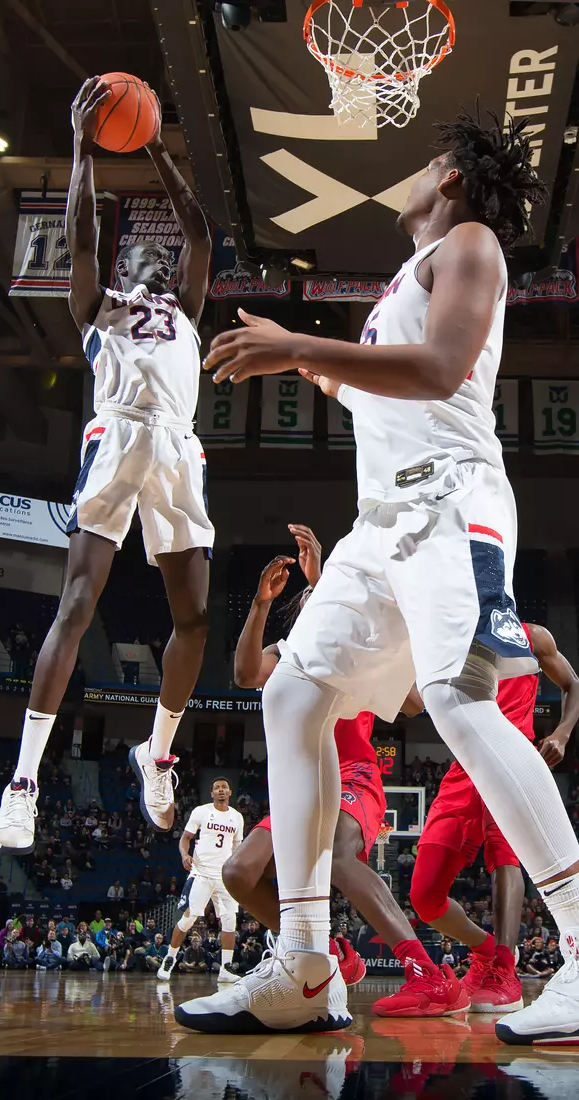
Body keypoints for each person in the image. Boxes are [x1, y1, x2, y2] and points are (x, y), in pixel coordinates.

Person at [178, 108, 579, 1042]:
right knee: (293, 698)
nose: (412, 174)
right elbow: (373, 386)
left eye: (424, 162)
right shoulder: (407, 275)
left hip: (451, 502)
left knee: (461, 702)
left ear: (448, 178)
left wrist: (299, 347)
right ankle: (308, 967)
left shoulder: (470, 241)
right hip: (379, 527)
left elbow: (441, 367)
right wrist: (310, 366)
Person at [0, 74, 213, 854]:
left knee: (193, 618)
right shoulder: (97, 307)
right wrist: (84, 145)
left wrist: (154, 147)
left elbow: (201, 236)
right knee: (76, 604)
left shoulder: (184, 312)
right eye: (139, 262)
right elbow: (83, 234)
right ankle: (22, 785)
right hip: (116, 436)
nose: (152, 267)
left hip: (178, 444)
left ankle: (157, 755)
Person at [220, 534, 465, 1015]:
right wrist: (260, 603)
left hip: (354, 777)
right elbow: (247, 673)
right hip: (300, 782)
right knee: (238, 872)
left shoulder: (357, 646)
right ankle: (329, 955)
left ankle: (428, 974)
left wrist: (327, 586)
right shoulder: (290, 652)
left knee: (336, 852)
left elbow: (412, 703)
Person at [409, 623, 579, 1014]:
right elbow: (413, 703)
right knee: (424, 896)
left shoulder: (531, 636)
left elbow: (573, 683)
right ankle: (485, 953)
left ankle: (505, 968)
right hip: (463, 766)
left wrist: (563, 734)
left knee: (505, 857)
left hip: (512, 754)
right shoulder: (442, 631)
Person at [157, 778, 243, 984]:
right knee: (190, 917)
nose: (221, 790)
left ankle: (226, 968)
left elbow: (238, 848)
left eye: (224, 787)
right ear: (211, 794)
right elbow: (185, 838)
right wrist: (185, 855)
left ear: (230, 792)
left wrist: (237, 872)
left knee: (230, 919)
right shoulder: (201, 811)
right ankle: (169, 959)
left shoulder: (237, 817)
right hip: (202, 872)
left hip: (224, 875)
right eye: (216, 788)